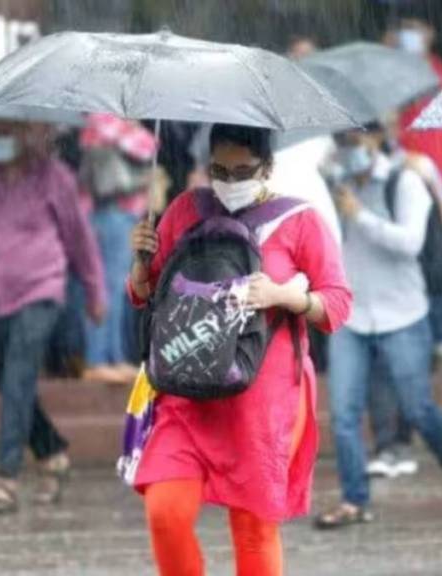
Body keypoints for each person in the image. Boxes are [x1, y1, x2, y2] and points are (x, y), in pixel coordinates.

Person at [128, 124, 351, 576]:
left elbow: (338, 304)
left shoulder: (299, 220)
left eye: (243, 171)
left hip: (262, 400)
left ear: (268, 168)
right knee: (165, 511)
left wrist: (285, 296)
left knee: (253, 530)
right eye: (220, 171)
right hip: (186, 387)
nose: (230, 182)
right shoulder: (185, 209)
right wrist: (139, 264)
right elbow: (146, 294)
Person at [0, 119, 106, 513]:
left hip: (40, 289)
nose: (0, 139)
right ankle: (52, 452)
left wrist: (95, 291)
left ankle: (5, 478)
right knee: (8, 379)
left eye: (8, 130)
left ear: (29, 132)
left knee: (18, 375)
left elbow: (79, 237)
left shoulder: (54, 177)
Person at [315, 124, 442, 530]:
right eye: (342, 142)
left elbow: (410, 244)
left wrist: (361, 216)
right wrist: (325, 190)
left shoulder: (406, 182)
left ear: (376, 139)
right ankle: (355, 499)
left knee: (416, 406)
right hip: (351, 313)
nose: (348, 150)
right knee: (344, 412)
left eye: (354, 141)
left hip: (402, 312)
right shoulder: (336, 184)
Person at [389, 17, 442, 368]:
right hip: (407, 183)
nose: (410, 34)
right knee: (408, 263)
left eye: (416, 26)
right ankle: (413, 338)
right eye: (405, 26)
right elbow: (386, 129)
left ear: (431, 31)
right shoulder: (393, 74)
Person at [77, 113, 156, 384]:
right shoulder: (101, 118)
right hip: (110, 210)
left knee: (119, 289)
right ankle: (96, 359)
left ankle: (114, 356)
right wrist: (130, 128)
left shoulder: (116, 123)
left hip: (125, 214)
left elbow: (150, 144)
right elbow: (143, 146)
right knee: (106, 287)